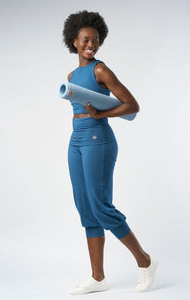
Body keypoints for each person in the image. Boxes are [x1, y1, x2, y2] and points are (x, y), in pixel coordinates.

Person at [62, 10, 158, 295]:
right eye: (86, 40)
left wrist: (102, 115)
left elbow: (132, 105)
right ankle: (98, 277)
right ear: (74, 42)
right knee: (86, 209)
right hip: (76, 141)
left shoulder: (100, 70)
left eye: (96, 40)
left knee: (101, 206)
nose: (91, 44)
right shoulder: (71, 74)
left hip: (98, 140)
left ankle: (145, 260)